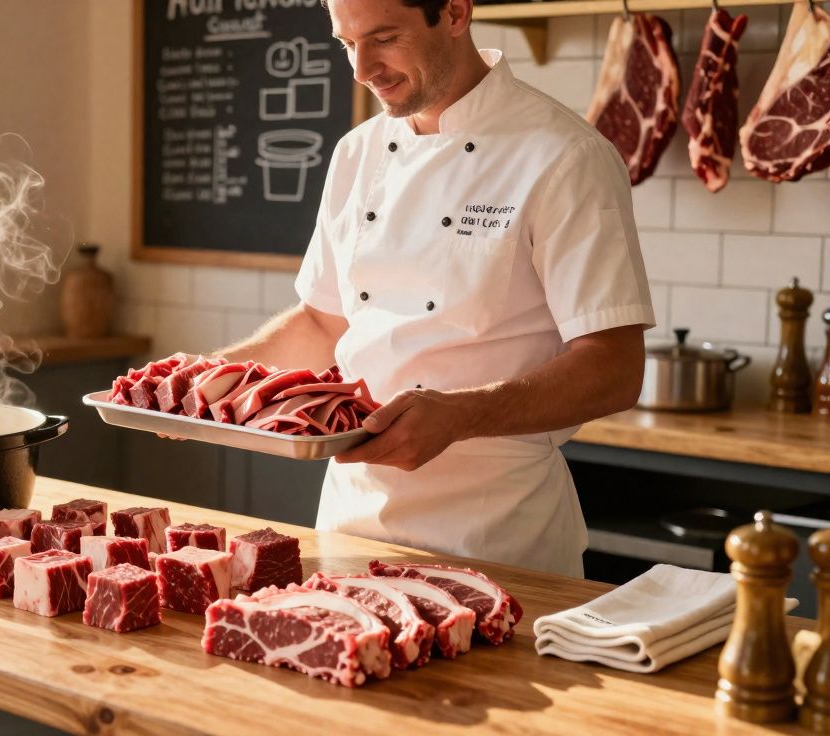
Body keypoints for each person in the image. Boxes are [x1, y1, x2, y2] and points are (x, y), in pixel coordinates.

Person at [215, 0, 655, 577]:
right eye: (346, 43)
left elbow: (615, 369)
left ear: (453, 13)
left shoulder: (564, 155)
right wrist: (197, 380)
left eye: (384, 38)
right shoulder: (357, 153)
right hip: (350, 530)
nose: (361, 69)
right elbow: (323, 323)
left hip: (497, 542)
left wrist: (459, 417)